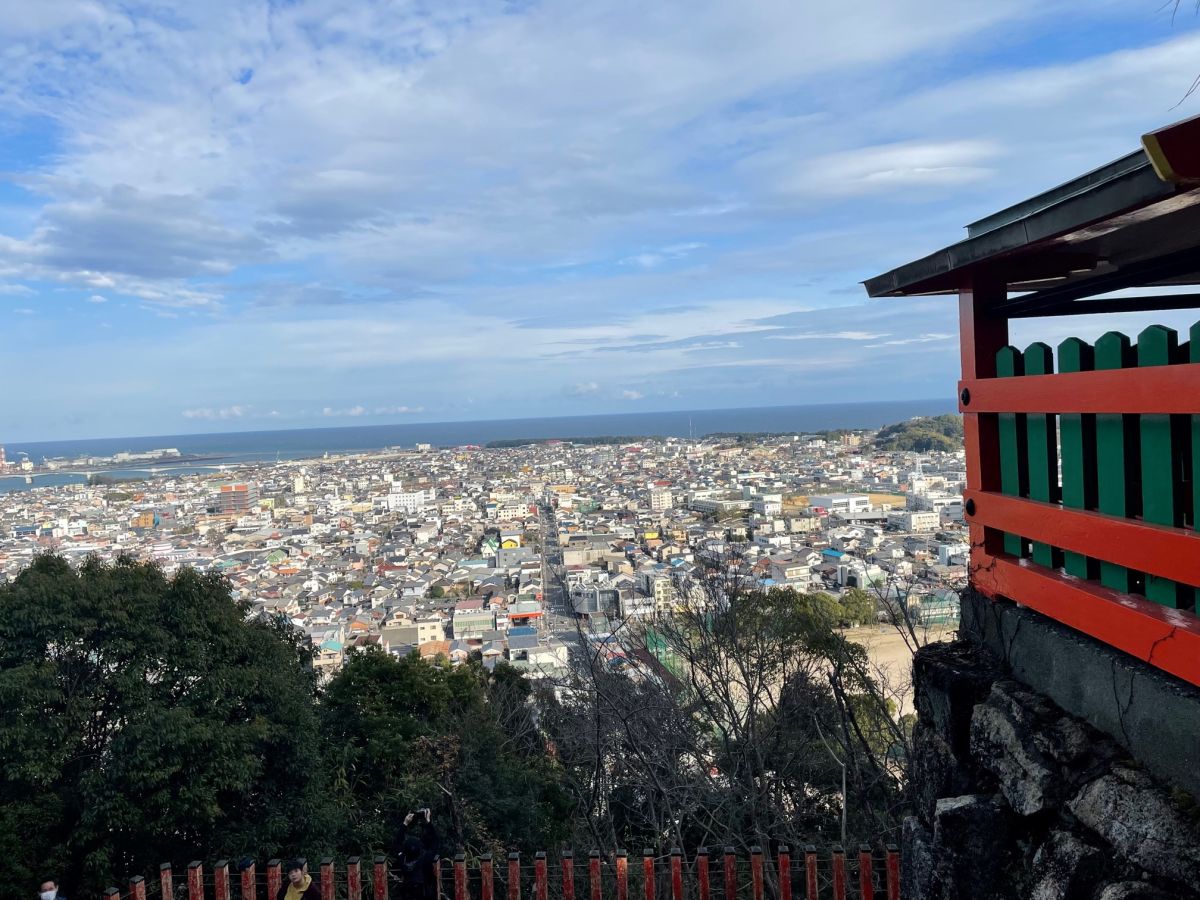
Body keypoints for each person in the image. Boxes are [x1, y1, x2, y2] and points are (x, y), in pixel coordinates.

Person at [392, 808, 440, 900]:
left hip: (408, 894)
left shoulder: (402, 858)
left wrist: (405, 823)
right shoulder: (426, 857)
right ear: (420, 848)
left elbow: (396, 845)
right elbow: (435, 843)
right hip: (424, 894)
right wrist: (428, 822)